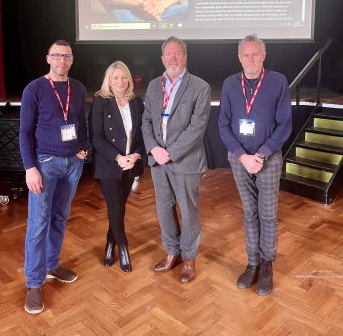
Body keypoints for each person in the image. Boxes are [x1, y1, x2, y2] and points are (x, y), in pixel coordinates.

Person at [218, 34, 292, 296]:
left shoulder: (277, 81)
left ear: (263, 56)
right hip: (240, 160)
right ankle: (252, 263)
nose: (250, 59)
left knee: (268, 214)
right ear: (239, 58)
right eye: (245, 55)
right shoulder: (229, 84)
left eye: (255, 54)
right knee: (250, 214)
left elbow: (285, 124)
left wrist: (261, 155)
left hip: (268, 159)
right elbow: (223, 125)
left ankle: (267, 264)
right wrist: (243, 155)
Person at [20, 40, 87, 314]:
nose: (62, 60)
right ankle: (34, 283)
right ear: (48, 58)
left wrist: (82, 149)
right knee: (38, 223)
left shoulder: (79, 88)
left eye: (67, 56)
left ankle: (51, 265)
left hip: (73, 163)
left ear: (71, 60)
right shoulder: (34, 88)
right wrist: (29, 167)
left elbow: (80, 121)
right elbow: (24, 131)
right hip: (44, 163)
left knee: (60, 217)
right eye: (57, 55)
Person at [142, 36, 211, 283]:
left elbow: (197, 127)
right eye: (168, 54)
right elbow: (147, 121)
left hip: (185, 161)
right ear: (162, 58)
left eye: (177, 54)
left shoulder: (200, 87)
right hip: (158, 160)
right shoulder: (152, 86)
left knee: (188, 210)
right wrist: (153, 149)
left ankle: (189, 257)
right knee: (164, 208)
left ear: (185, 57)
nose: (173, 58)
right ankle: (173, 252)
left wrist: (168, 152)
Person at [89, 61, 144, 272]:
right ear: (108, 81)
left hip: (130, 164)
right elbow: (96, 137)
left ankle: (109, 243)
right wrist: (119, 158)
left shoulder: (136, 101)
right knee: (115, 207)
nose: (120, 81)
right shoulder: (101, 101)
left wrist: (136, 155)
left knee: (120, 208)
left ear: (129, 79)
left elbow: (141, 133)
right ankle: (123, 247)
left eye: (123, 77)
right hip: (109, 164)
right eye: (115, 78)